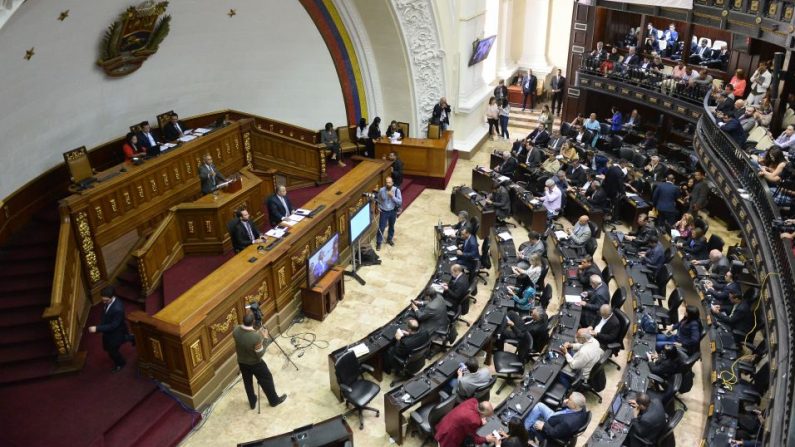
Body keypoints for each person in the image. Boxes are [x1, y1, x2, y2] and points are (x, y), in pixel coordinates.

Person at [232, 312, 287, 409]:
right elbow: (260, 353)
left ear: (243, 321)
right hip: (255, 363)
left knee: (247, 382)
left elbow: (243, 338)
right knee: (267, 378)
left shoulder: (235, 330)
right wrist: (265, 338)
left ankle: (252, 402)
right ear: (253, 322)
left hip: (242, 362)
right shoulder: (255, 337)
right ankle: (274, 401)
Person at [88, 286, 132, 372]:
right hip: (112, 332)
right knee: (114, 345)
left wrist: (97, 328)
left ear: (112, 297)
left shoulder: (117, 309)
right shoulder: (109, 302)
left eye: (106, 300)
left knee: (112, 351)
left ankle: (121, 363)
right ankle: (131, 337)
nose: (104, 302)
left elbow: (113, 325)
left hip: (115, 333)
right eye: (103, 300)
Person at [523, 392, 588, 443]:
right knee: (539, 405)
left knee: (534, 422)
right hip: (558, 417)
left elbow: (554, 433)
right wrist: (565, 404)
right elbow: (568, 410)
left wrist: (543, 426)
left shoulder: (567, 423)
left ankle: (524, 430)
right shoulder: (582, 407)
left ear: (574, 405)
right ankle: (528, 422)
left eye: (569, 400)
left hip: (552, 425)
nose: (567, 400)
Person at [375, 176, 402, 250]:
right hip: (384, 211)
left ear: (392, 183)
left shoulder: (396, 190)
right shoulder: (381, 190)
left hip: (393, 211)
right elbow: (378, 199)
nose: (388, 184)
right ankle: (378, 242)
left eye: (389, 182)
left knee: (391, 226)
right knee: (381, 227)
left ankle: (389, 239)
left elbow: (400, 201)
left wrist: (392, 196)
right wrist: (378, 206)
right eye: (387, 182)